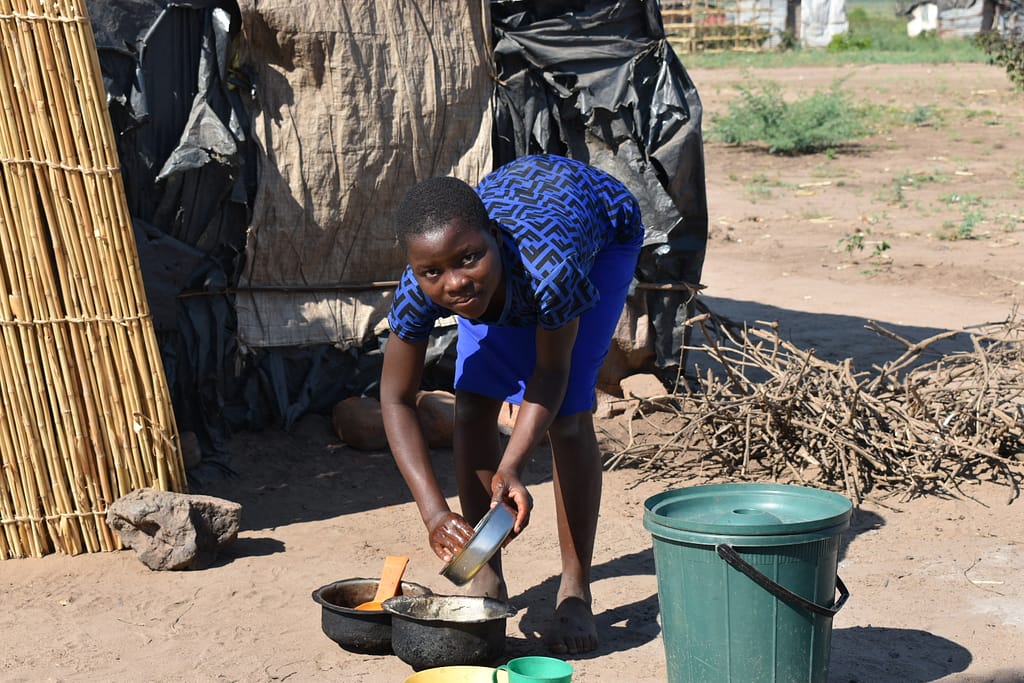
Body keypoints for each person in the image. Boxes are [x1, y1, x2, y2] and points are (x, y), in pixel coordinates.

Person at [379, 154, 643, 655]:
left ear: (493, 241)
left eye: (467, 259)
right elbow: (394, 397)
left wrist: (513, 464)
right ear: (416, 269)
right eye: (432, 271)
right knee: (474, 401)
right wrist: (435, 513)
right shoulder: (427, 284)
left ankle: (575, 588)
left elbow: (552, 372)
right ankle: (485, 570)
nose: (454, 282)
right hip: (512, 242)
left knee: (567, 417)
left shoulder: (552, 272)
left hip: (600, 229)